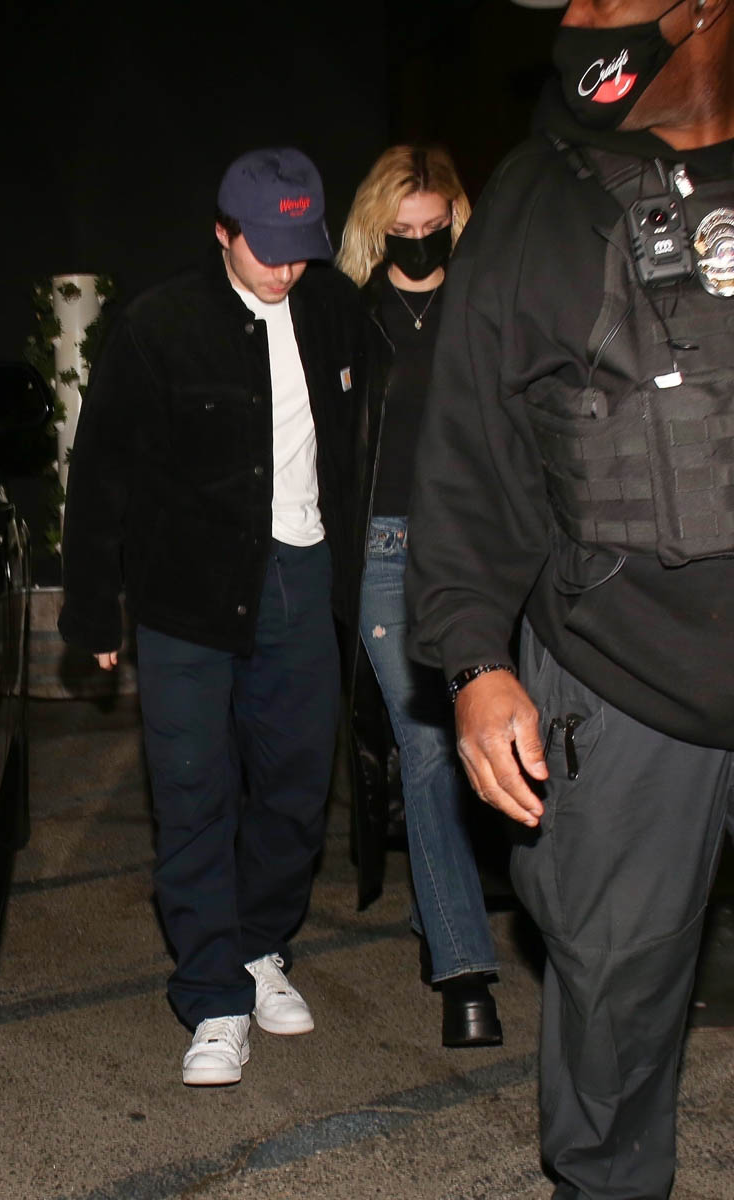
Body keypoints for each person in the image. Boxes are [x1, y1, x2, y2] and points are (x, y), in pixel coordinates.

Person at [405, 1, 734, 1196]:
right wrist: (473, 659)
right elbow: (467, 448)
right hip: (620, 674)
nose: (583, 20)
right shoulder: (537, 201)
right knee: (612, 996)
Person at [58, 147, 367, 1087]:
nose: (284, 269)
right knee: (193, 793)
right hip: (185, 594)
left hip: (302, 577)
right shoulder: (161, 326)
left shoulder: (332, 308)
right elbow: (100, 473)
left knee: (296, 788)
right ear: (223, 232)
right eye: (265, 248)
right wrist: (92, 611)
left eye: (299, 250)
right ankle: (212, 996)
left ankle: (258, 945)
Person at [337, 146, 502, 1048]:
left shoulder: (483, 306)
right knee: (431, 747)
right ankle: (465, 970)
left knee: (489, 744)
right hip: (386, 551)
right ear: (377, 228)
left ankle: (442, 908)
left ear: (455, 221)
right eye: (401, 229)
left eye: (433, 227)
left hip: (477, 551)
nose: (418, 242)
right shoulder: (352, 318)